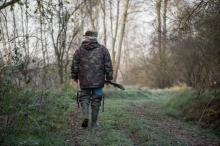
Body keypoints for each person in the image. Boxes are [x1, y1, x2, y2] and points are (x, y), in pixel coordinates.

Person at [71, 31, 113, 128]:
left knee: (84, 98)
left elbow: (74, 65)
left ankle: (85, 116)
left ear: (86, 38)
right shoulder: (103, 50)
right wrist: (109, 78)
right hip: (98, 82)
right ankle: (94, 123)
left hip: (84, 81)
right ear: (95, 38)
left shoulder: (79, 50)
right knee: (96, 100)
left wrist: (74, 77)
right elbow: (108, 65)